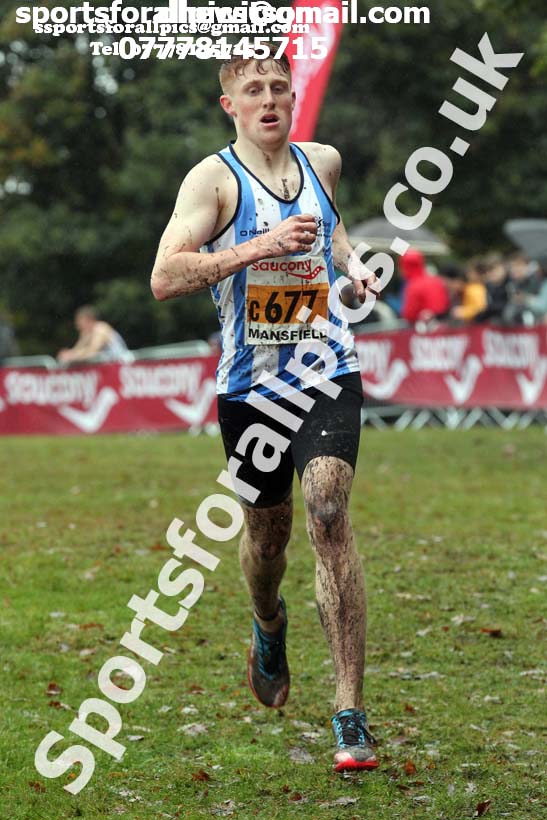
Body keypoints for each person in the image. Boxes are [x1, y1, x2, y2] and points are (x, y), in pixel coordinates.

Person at [151, 47, 380, 773]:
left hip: (326, 369)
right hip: (251, 390)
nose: (270, 97)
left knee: (327, 510)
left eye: (280, 85)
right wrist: (258, 246)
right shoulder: (212, 179)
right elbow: (164, 276)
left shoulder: (324, 160)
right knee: (266, 541)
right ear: (231, 106)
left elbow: (332, 229)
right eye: (254, 89)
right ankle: (267, 622)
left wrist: (354, 264)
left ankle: (349, 713)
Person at [57, 306, 130, 364]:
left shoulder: (101, 328)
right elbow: (78, 350)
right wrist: (69, 354)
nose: (77, 327)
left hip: (121, 365)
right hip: (111, 367)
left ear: (88, 320)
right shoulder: (86, 333)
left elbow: (92, 352)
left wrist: (71, 356)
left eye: (79, 323)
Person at [399, 248, 450, 323]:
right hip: (445, 327)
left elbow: (409, 314)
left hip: (422, 329)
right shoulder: (436, 281)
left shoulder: (413, 285)